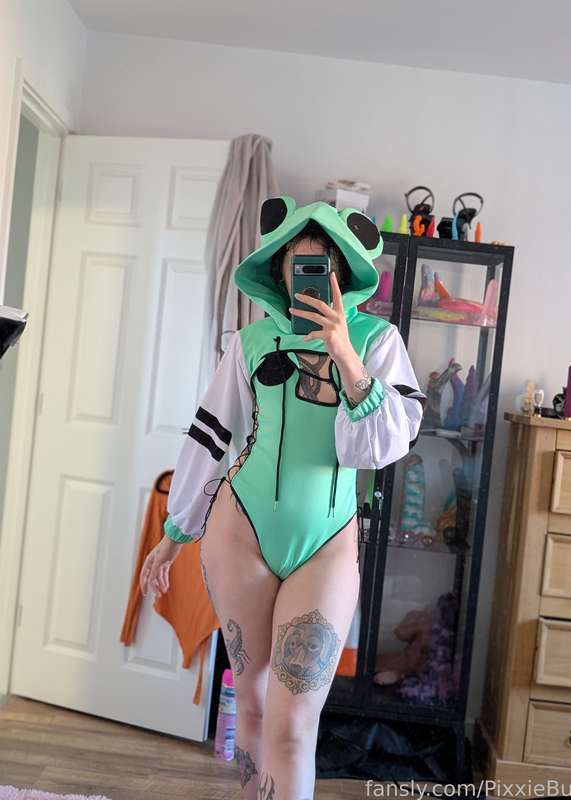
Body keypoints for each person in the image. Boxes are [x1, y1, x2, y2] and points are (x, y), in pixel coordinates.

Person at [139, 196, 426, 799]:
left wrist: (345, 355)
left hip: (326, 544)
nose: (310, 279)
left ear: (342, 274)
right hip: (241, 531)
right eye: (300, 266)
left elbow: (383, 446)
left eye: (322, 267)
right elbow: (211, 434)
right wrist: (173, 535)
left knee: (294, 727)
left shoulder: (378, 341)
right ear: (280, 272)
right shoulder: (249, 342)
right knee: (252, 702)